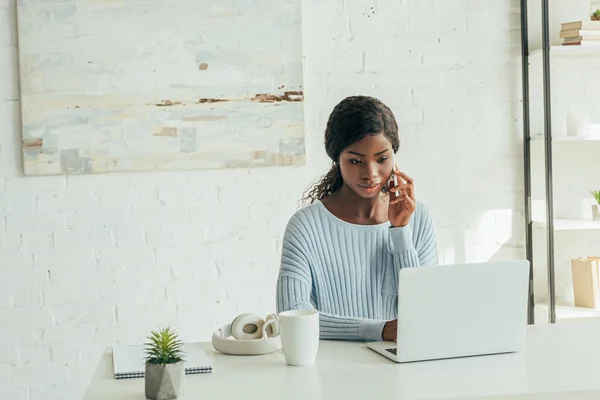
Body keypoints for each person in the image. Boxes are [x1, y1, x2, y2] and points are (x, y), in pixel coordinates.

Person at [275, 95, 438, 342]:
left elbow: (426, 312)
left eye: (382, 159)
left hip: (401, 366)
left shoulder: (418, 218)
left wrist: (401, 230)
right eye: (355, 161)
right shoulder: (306, 226)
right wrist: (379, 330)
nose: (370, 174)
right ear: (337, 160)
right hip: (330, 371)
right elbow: (291, 316)